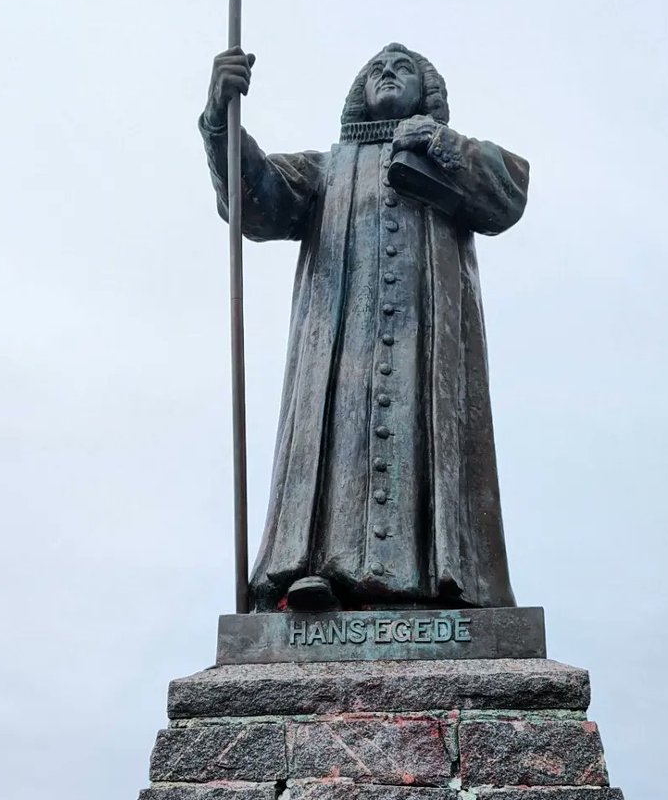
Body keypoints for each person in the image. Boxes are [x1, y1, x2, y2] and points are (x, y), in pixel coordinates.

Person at [201, 42, 528, 613]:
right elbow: (259, 198)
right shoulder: (328, 168)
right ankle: (316, 570)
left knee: (427, 441)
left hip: (428, 348)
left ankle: (440, 583)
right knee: (337, 442)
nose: (387, 74)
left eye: (402, 69)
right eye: (376, 69)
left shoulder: (444, 155)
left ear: (427, 90)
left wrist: (442, 144)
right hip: (339, 344)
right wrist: (219, 122)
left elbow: (508, 194)